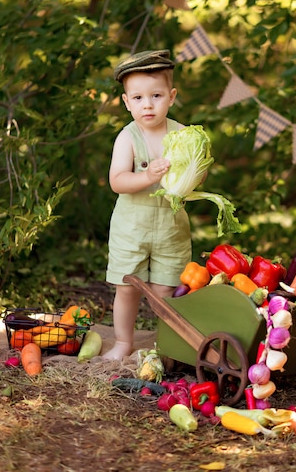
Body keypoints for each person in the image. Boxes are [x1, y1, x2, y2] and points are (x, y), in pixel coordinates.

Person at [102, 49, 192, 361]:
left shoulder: (183, 135)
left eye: (156, 95)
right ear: (127, 102)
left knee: (166, 291)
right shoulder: (127, 138)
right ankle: (123, 343)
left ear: (172, 96)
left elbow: (194, 178)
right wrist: (146, 176)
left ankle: (165, 345)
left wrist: (198, 174)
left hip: (171, 226)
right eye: (138, 98)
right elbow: (118, 181)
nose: (148, 104)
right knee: (127, 287)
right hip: (132, 225)